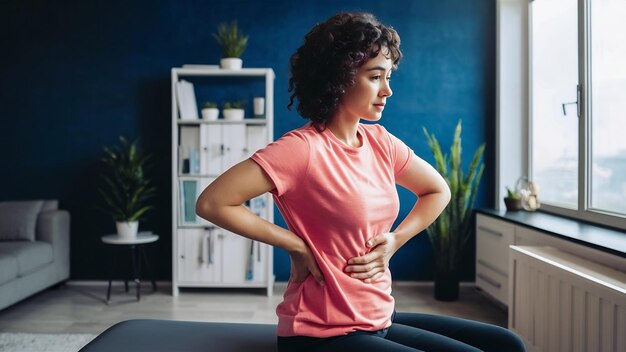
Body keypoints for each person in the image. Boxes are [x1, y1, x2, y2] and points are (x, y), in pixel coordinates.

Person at [196, 12, 525, 352]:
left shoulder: (380, 142)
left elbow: (438, 190)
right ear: (339, 78)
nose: (388, 90)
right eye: (375, 77)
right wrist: (294, 244)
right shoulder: (301, 149)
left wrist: (396, 240)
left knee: (506, 343)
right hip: (320, 333)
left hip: (378, 318)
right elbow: (212, 202)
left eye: (389, 76)